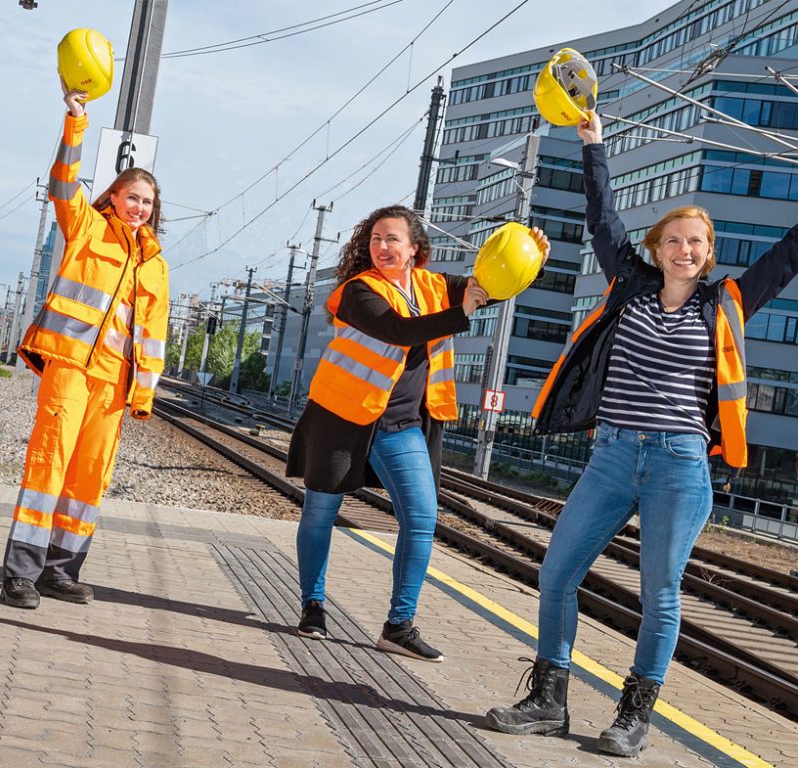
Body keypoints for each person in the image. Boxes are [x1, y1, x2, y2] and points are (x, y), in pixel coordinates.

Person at [486, 111, 798, 756]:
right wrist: (592, 144)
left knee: (659, 589)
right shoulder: (628, 288)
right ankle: (548, 701)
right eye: (675, 240)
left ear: (710, 255)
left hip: (680, 464)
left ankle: (634, 715)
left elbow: (791, 251)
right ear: (657, 248)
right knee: (556, 574)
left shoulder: (730, 302)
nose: (686, 250)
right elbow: (602, 218)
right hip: (612, 455)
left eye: (698, 243)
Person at [286, 205, 549, 661]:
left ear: (414, 249)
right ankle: (313, 604)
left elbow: (487, 290)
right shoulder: (357, 291)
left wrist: (528, 262)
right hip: (343, 416)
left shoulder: (433, 286)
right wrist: (463, 310)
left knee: (423, 519)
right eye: (375, 239)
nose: (382, 247)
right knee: (320, 511)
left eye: (392, 239)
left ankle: (399, 625)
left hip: (401, 423)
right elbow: (398, 330)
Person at [0, 82, 169, 609]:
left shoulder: (157, 266)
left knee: (89, 477)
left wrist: (142, 394)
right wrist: (75, 121)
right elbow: (61, 181)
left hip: (114, 385)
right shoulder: (87, 227)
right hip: (70, 365)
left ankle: (61, 570)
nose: (138, 207)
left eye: (147, 201)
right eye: (131, 197)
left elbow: (153, 336)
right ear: (114, 197)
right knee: (49, 464)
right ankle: (20, 575)